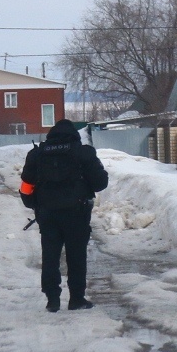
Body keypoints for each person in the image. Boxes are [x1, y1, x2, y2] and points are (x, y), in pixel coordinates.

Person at [18, 119, 109, 312]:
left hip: (48, 214)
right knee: (76, 256)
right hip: (77, 213)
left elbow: (26, 187)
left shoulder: (37, 154)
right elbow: (100, 183)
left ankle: (52, 299)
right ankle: (76, 298)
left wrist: (34, 204)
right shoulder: (83, 153)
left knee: (50, 255)